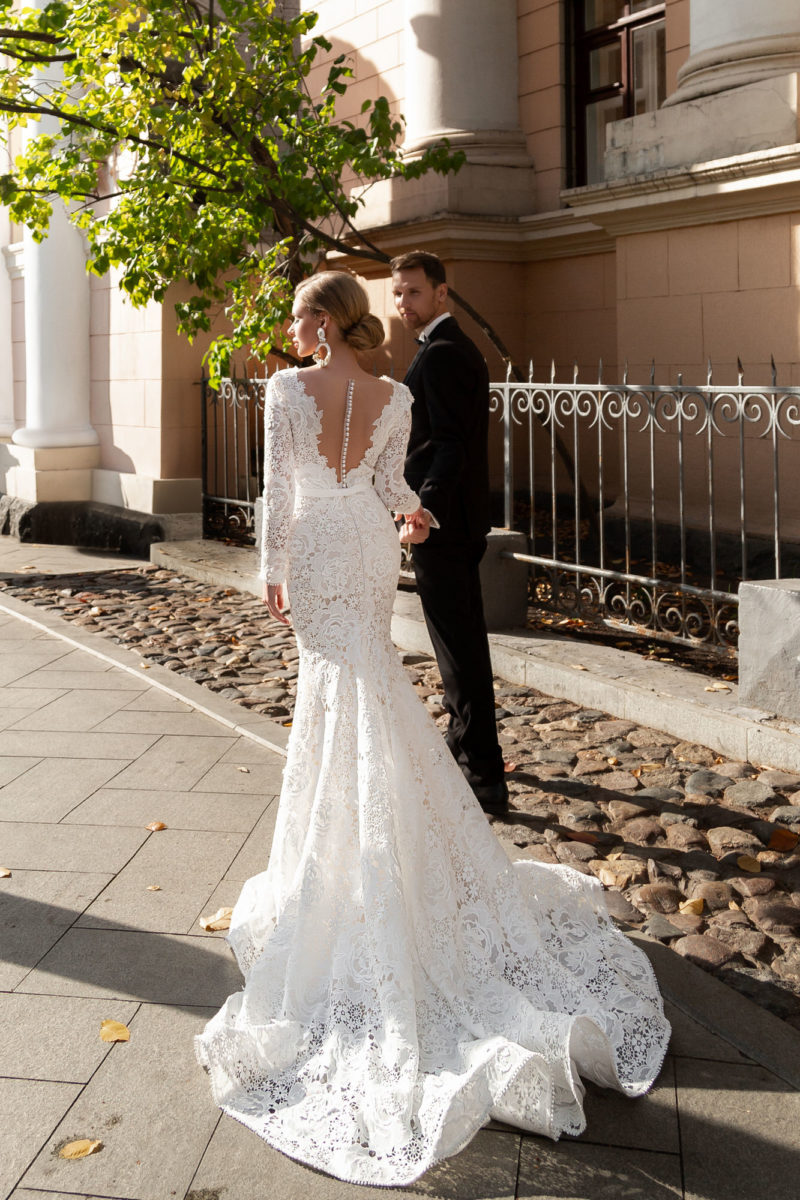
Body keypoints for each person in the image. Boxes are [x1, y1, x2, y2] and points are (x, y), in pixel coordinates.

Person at [195, 270, 670, 1189]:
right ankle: (379, 839)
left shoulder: (286, 391)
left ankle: (345, 857)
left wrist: (271, 573)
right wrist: (407, 518)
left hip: (323, 556)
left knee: (342, 694)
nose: (290, 331)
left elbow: (279, 492)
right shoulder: (395, 394)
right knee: (369, 688)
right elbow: (385, 486)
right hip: (368, 555)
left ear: (323, 322)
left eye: (298, 314)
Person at [391, 250, 508, 814]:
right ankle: (469, 750)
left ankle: (481, 771)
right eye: (398, 293)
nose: (403, 303)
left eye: (413, 292)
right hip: (451, 521)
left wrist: (424, 511)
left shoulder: (443, 354)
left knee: (458, 649)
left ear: (441, 293)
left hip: (444, 524)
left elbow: (452, 444)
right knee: (459, 645)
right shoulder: (445, 350)